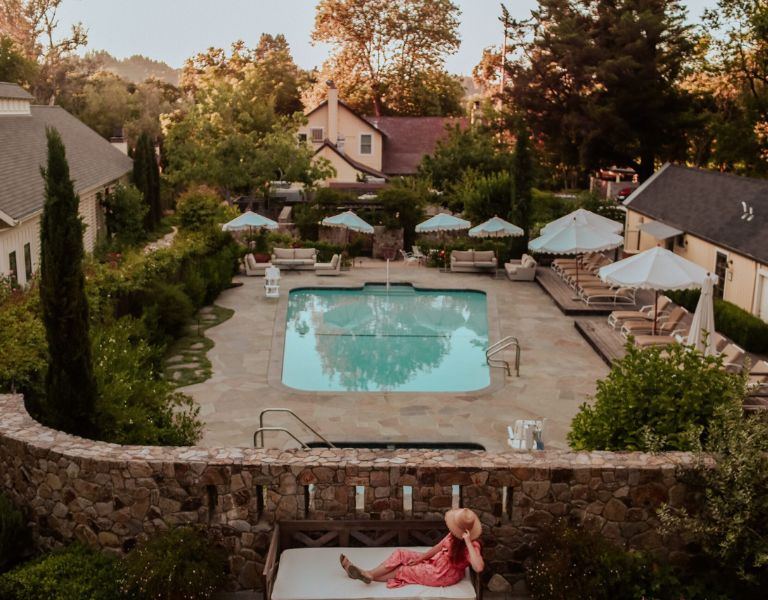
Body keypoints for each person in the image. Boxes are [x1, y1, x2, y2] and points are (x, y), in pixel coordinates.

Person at [339, 508, 484, 587]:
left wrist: (467, 541)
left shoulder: (472, 546)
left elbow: (478, 567)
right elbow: (437, 548)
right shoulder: (452, 535)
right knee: (401, 554)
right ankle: (368, 574)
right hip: (435, 562)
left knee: (403, 569)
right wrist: (421, 558)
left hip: (441, 575)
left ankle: (367, 575)